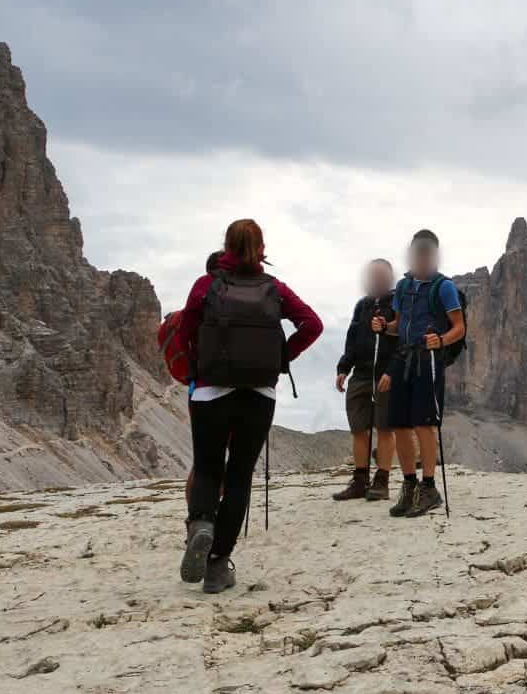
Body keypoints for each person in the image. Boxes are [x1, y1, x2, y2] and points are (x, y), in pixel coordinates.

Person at [178, 219, 322, 593]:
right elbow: (313, 324)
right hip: (259, 394)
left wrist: (205, 360)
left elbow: (185, 332)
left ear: (225, 244)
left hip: (211, 392)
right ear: (262, 247)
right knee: (240, 474)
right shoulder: (275, 289)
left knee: (208, 469)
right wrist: (280, 358)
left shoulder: (206, 285)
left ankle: (201, 524)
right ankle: (217, 566)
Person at [374, 229, 464, 519]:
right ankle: (410, 485)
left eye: (427, 253)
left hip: (429, 362)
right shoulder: (402, 287)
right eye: (418, 252)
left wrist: (441, 340)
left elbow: (458, 327)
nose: (422, 258)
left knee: (424, 424)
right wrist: (382, 327)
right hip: (403, 358)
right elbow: (398, 325)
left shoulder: (444, 287)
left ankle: (429, 488)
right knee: (400, 424)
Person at [333, 259, 399, 501]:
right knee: (358, 429)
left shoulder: (397, 304)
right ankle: (360, 481)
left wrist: (391, 372)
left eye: (380, 275)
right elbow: (352, 340)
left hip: (385, 375)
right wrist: (343, 368)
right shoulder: (362, 306)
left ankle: (382, 482)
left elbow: (402, 342)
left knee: (384, 428)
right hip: (360, 374)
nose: (375, 279)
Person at [183, 251, 224, 522]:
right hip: (245, 387)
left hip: (202, 387)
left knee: (204, 459)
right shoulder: (255, 290)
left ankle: (196, 518)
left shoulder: (201, 287)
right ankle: (216, 514)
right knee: (229, 460)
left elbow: (186, 330)